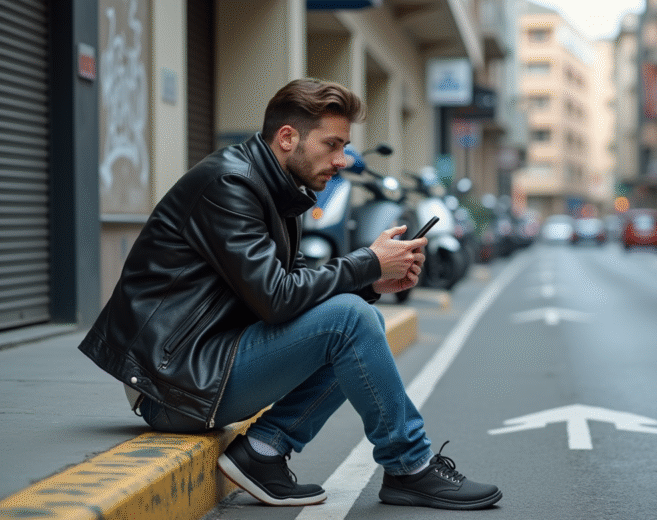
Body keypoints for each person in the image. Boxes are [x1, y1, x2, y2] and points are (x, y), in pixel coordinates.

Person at [78, 78, 501, 510]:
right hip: (173, 381)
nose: (342, 161)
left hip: (203, 361)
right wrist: (367, 262)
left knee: (359, 319)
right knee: (351, 321)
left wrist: (371, 283)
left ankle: (263, 451)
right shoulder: (230, 184)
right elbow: (276, 299)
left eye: (345, 147)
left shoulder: (280, 189)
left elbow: (295, 289)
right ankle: (410, 466)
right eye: (332, 145)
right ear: (287, 137)